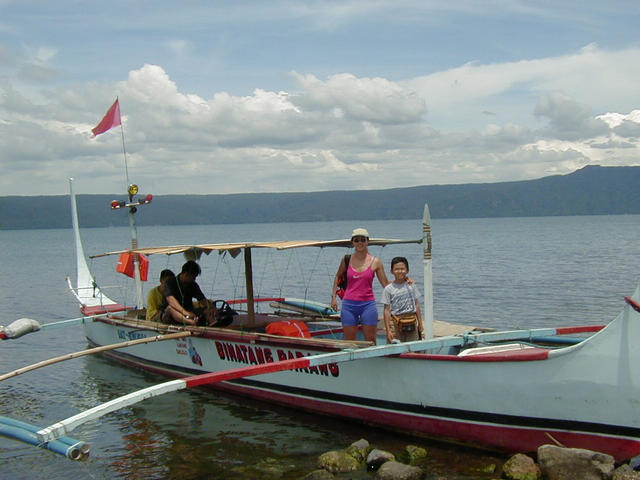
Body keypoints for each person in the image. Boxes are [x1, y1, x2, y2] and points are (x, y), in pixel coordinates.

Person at [330, 228, 389, 343]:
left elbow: (386, 284)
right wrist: (333, 297)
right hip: (348, 305)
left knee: (371, 341)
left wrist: (403, 279)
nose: (360, 243)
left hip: (368, 305)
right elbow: (337, 276)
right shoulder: (346, 259)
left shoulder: (376, 262)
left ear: (367, 241)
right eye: (356, 240)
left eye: (362, 240)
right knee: (350, 342)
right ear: (352, 243)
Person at [382, 257, 424, 343]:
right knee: (394, 347)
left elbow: (416, 304)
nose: (400, 271)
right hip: (395, 321)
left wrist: (420, 323)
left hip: (411, 320)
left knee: (413, 346)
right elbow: (386, 310)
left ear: (407, 270)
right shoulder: (388, 289)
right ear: (392, 271)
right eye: (396, 269)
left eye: (402, 269)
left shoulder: (411, 285)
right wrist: (388, 330)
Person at [160, 260, 215, 326]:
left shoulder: (193, 285)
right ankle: (191, 322)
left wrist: (211, 307)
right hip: (170, 314)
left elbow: (202, 299)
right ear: (186, 274)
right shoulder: (170, 283)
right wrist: (186, 313)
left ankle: (213, 323)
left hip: (189, 311)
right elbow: (171, 301)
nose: (194, 280)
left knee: (207, 310)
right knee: (170, 308)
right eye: (193, 277)